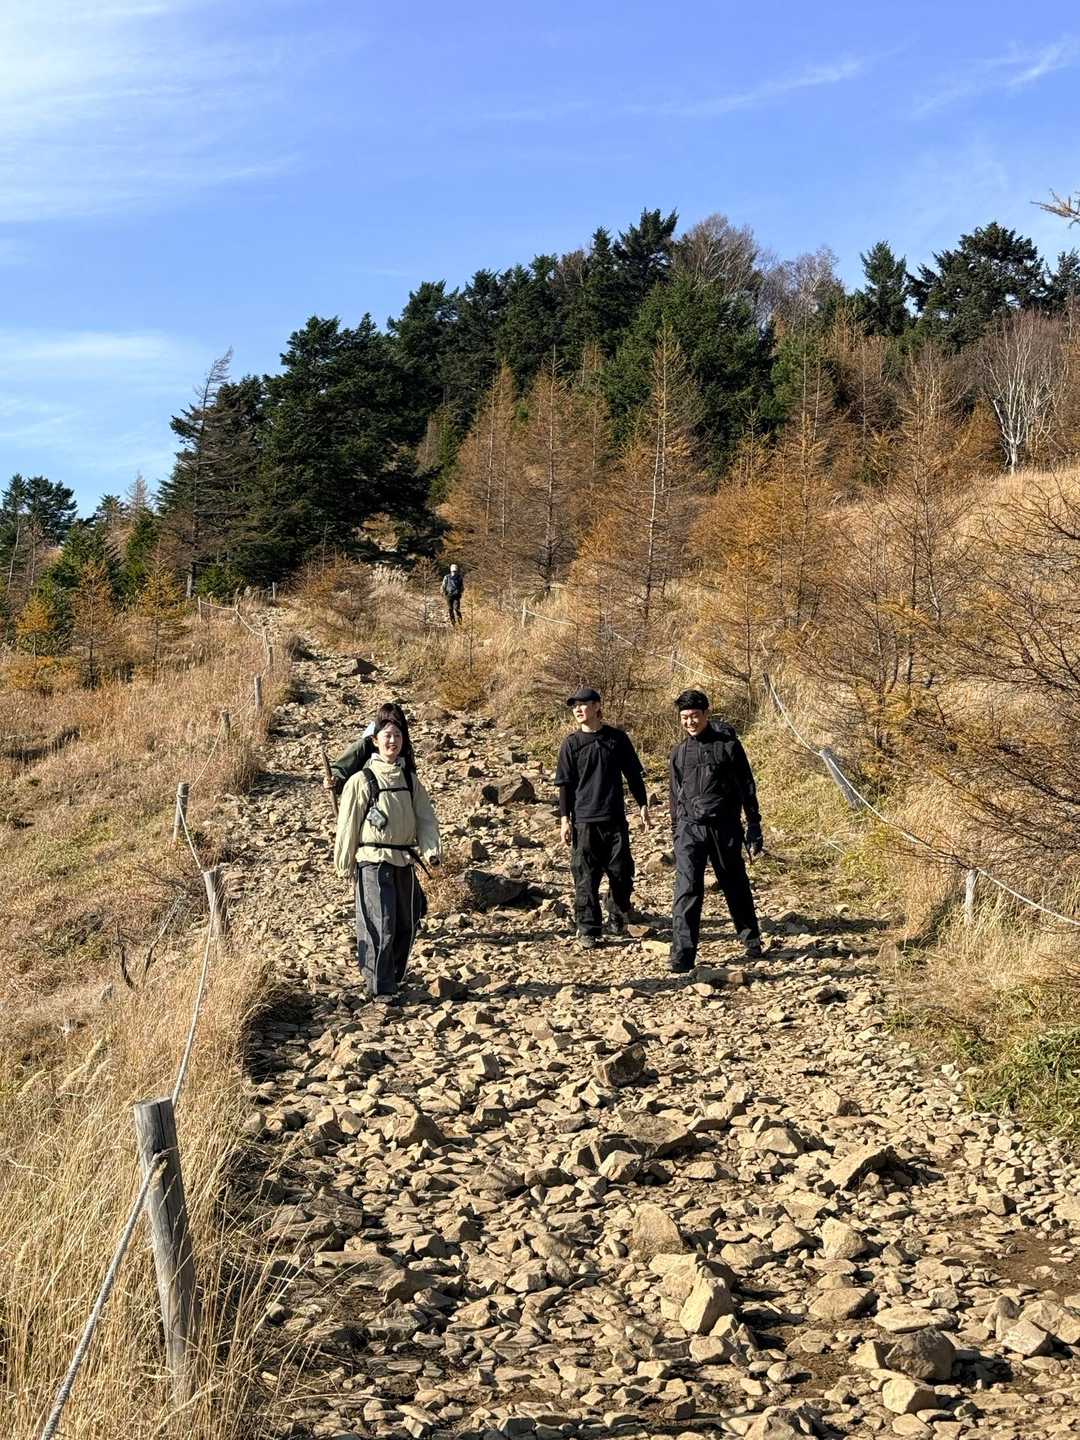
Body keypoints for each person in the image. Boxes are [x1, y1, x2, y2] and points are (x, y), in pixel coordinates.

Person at [333, 703, 440, 1000]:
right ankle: (381, 987)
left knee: (407, 922)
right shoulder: (361, 781)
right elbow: (348, 824)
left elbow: (426, 819)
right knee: (381, 924)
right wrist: (344, 863)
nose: (392, 741)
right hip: (372, 862)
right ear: (375, 740)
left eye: (397, 735)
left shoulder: (410, 781)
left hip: (403, 861)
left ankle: (392, 976)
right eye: (387, 735)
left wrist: (431, 850)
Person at [668, 689, 764, 972]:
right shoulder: (678, 753)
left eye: (694, 716)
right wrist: (676, 831)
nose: (690, 722)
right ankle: (682, 956)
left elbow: (747, 786)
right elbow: (674, 795)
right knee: (686, 890)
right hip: (689, 829)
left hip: (725, 826)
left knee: (734, 883)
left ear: (706, 714)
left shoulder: (728, 746)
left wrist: (754, 824)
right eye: (684, 717)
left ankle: (751, 939)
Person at [555, 686, 650, 950]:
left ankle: (616, 916)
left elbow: (633, 775)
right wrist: (564, 820)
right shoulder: (571, 744)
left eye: (583, 704)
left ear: (597, 706)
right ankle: (588, 929)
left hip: (615, 819)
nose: (577, 709)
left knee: (622, 873)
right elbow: (564, 785)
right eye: (574, 706)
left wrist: (643, 805)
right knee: (585, 876)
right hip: (584, 821)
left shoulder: (617, 739)